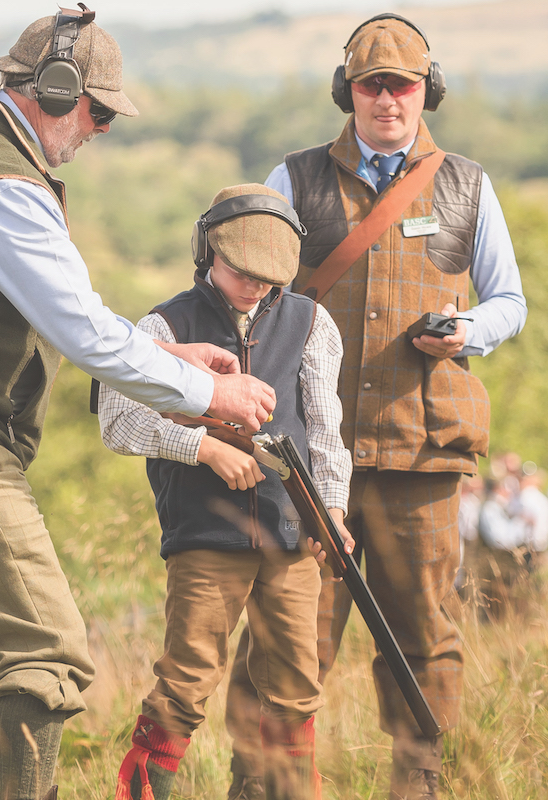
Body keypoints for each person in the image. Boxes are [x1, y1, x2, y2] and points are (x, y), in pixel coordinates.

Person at [0, 9, 276, 800]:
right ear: (55, 89)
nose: (100, 129)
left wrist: (168, 356)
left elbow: (67, 310)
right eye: (98, 111)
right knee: (48, 655)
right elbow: (86, 336)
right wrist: (213, 392)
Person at [223, 14, 527, 800]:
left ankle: (417, 781)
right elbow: (247, 286)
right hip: (305, 452)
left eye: (404, 84)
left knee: (424, 628)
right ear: (347, 92)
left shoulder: (467, 184)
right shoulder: (292, 179)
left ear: (428, 90)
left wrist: (467, 330)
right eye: (372, 84)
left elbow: (510, 301)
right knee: (287, 631)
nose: (388, 98)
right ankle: (263, 781)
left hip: (420, 449)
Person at [99, 184, 352, 800]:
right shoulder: (164, 324)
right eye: (243, 271)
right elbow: (117, 420)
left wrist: (334, 510)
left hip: (291, 532)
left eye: (269, 277)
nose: (256, 287)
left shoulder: (313, 323)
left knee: (296, 691)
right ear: (207, 248)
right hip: (205, 536)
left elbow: (325, 433)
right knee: (185, 684)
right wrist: (205, 449)